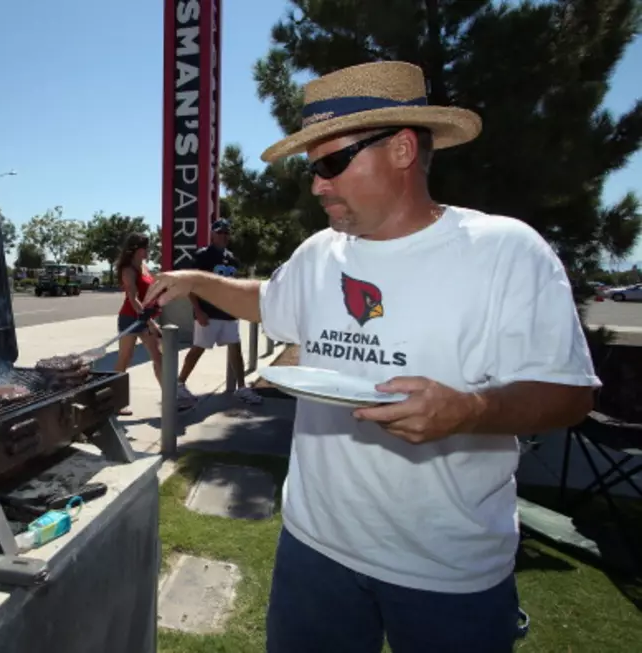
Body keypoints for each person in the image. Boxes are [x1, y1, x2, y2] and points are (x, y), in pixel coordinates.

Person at [143, 61, 599, 653]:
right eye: (312, 170)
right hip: (314, 550)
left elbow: (570, 393)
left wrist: (470, 410)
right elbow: (267, 300)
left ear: (403, 149)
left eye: (332, 164)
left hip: (449, 571)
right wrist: (196, 280)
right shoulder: (318, 254)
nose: (317, 186)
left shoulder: (505, 252)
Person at [177, 218, 262, 405]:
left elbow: (235, 286)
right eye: (219, 232)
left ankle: (241, 387)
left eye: (226, 233)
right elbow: (190, 285)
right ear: (212, 234)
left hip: (229, 312)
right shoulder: (202, 256)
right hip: (208, 312)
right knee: (199, 348)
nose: (223, 236)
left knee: (235, 347)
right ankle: (179, 383)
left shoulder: (232, 258)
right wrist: (198, 310)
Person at [114, 232, 163, 416]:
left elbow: (149, 290)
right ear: (137, 249)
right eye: (146, 247)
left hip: (145, 317)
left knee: (158, 357)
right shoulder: (128, 270)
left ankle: (171, 398)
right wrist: (150, 322)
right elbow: (133, 299)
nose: (148, 251)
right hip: (130, 318)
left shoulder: (144, 266)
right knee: (125, 358)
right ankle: (116, 402)